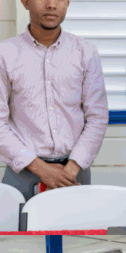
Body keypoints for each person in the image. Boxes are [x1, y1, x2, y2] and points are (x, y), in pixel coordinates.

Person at [0, 0, 108, 201]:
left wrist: (71, 169)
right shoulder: (4, 54)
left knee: (77, 233)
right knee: (16, 232)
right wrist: (40, 168)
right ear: (25, 2)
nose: (51, 5)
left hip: (74, 173)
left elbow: (98, 117)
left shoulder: (86, 51)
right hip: (21, 174)